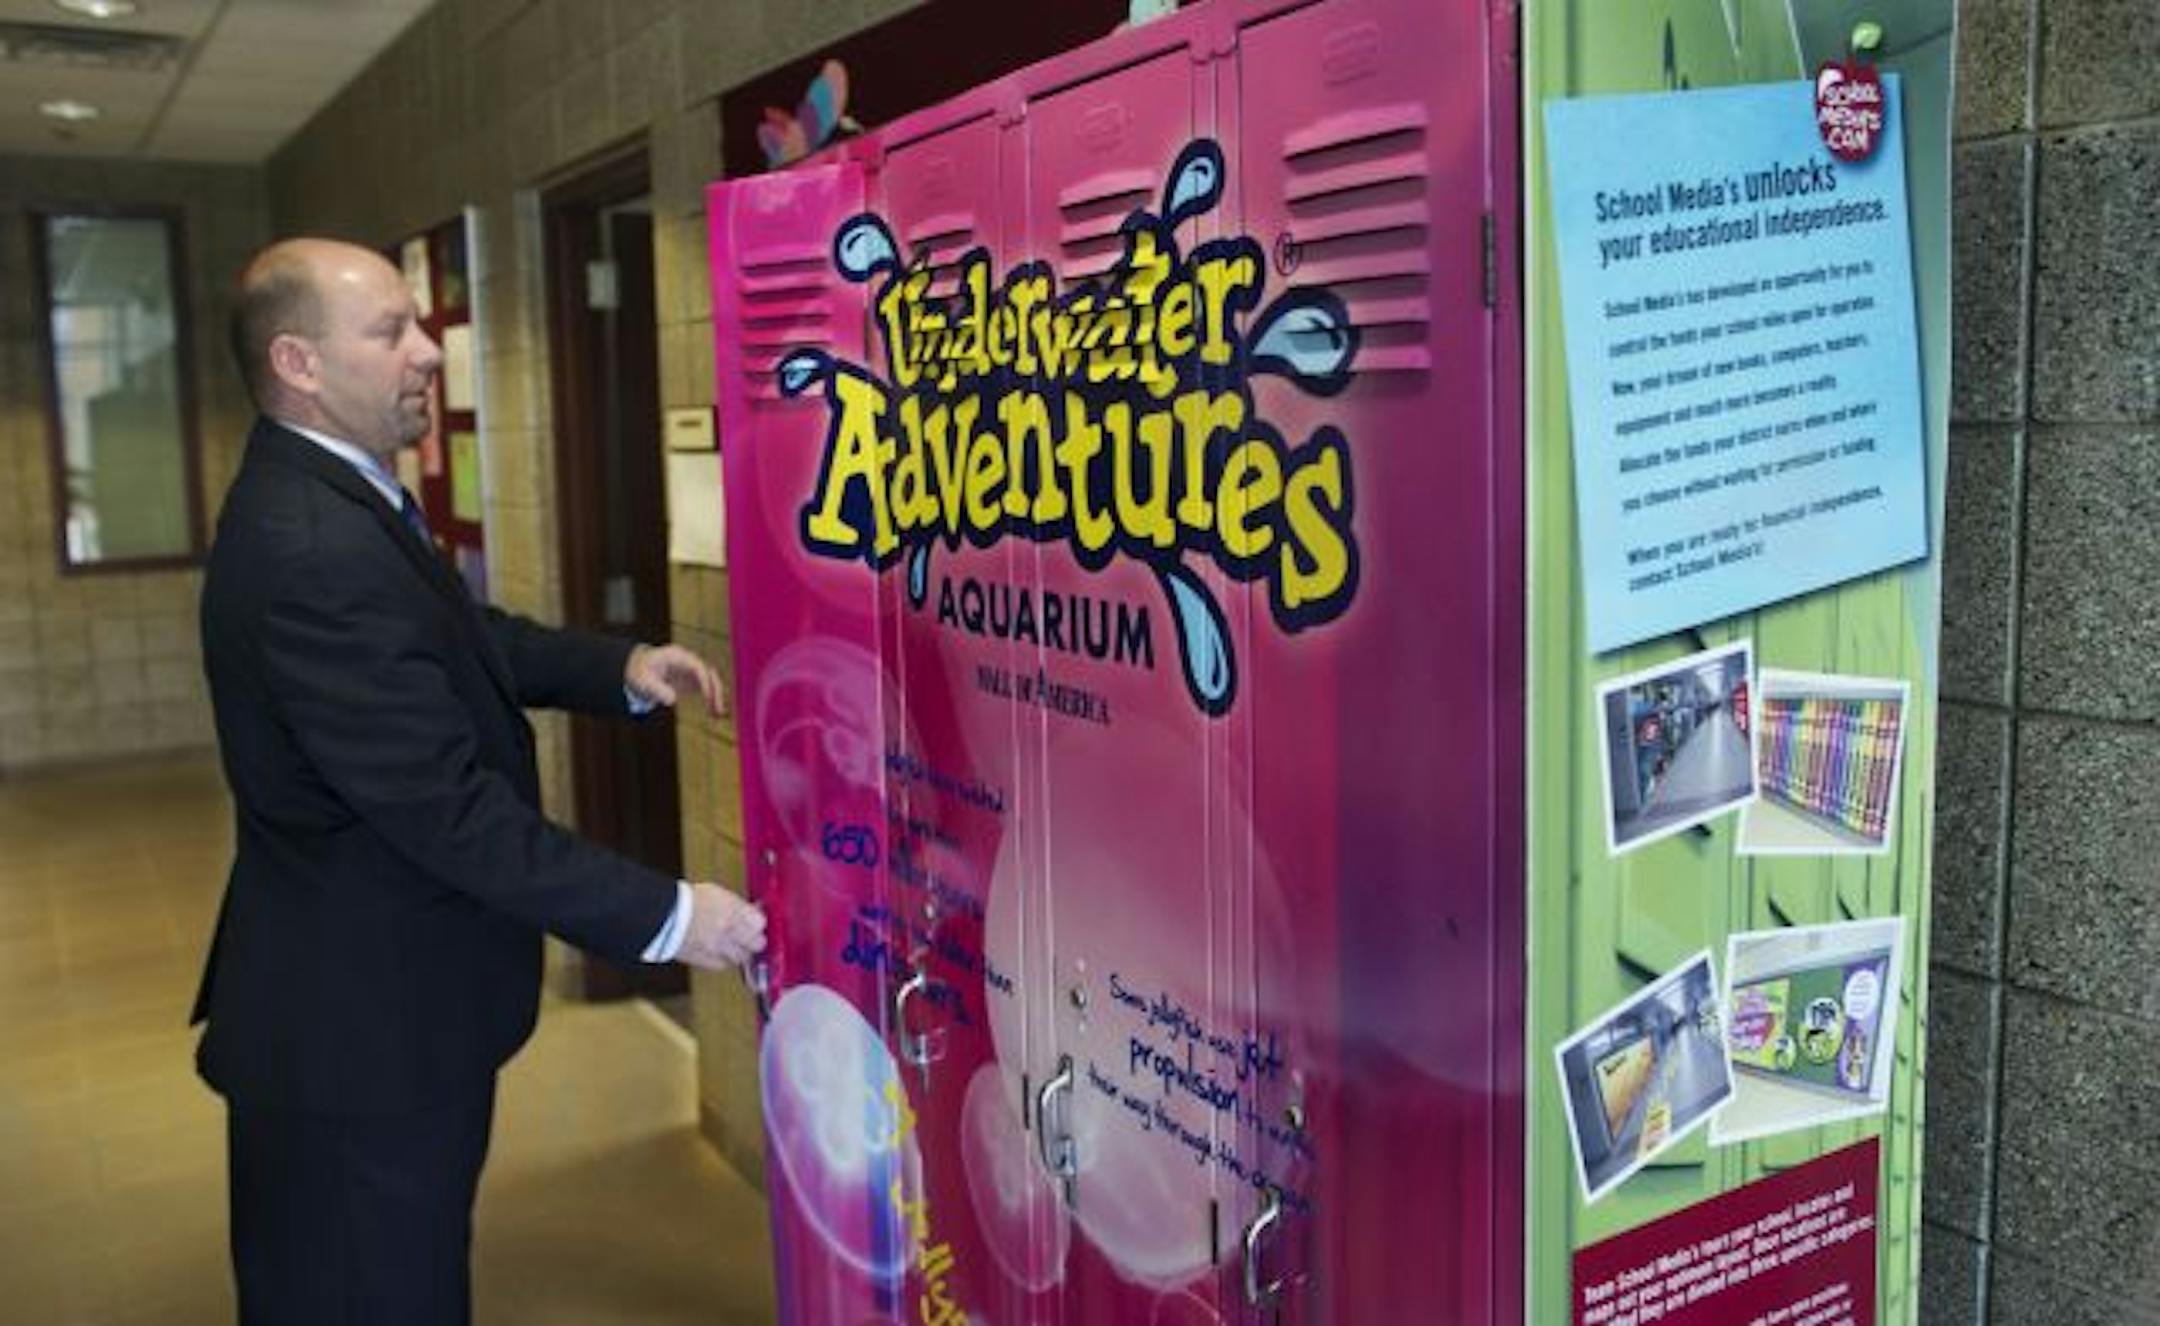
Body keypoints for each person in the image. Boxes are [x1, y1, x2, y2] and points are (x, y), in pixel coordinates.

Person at [192, 237, 766, 1324]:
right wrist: (671, 917)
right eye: (390, 331)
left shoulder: (339, 496)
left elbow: (458, 639)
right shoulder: (310, 545)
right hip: (356, 1037)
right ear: (299, 363)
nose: (429, 353)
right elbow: (448, 814)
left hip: (377, 1009)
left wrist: (620, 670)